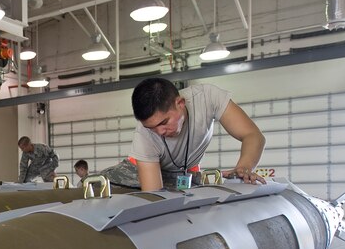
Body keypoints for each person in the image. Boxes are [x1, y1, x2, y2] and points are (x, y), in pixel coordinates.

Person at [100, 78, 266, 191]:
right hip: (139, 171)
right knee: (96, 182)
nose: (160, 132)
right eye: (152, 128)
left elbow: (253, 135)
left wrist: (243, 167)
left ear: (180, 103)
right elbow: (155, 195)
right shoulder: (144, 135)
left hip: (185, 174)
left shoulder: (207, 98)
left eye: (164, 123)